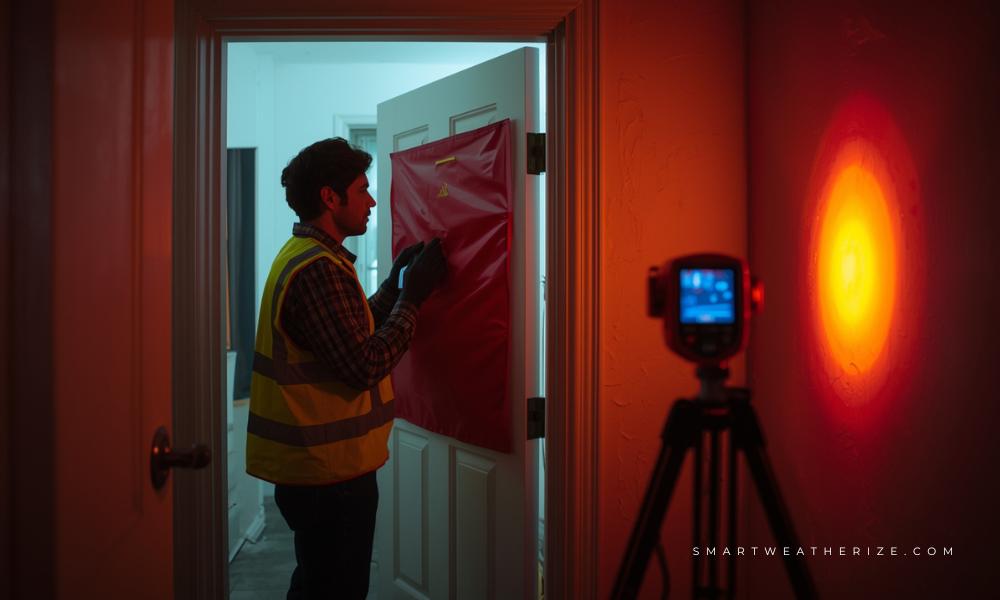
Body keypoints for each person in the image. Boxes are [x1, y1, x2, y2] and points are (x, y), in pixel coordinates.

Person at [246, 137, 447, 599]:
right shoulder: (319, 269)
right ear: (329, 198)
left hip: (320, 475)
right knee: (335, 590)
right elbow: (364, 363)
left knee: (319, 585)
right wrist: (413, 299)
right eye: (362, 189)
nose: (372, 200)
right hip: (328, 478)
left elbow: (344, 338)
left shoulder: (310, 257)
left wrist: (395, 289)